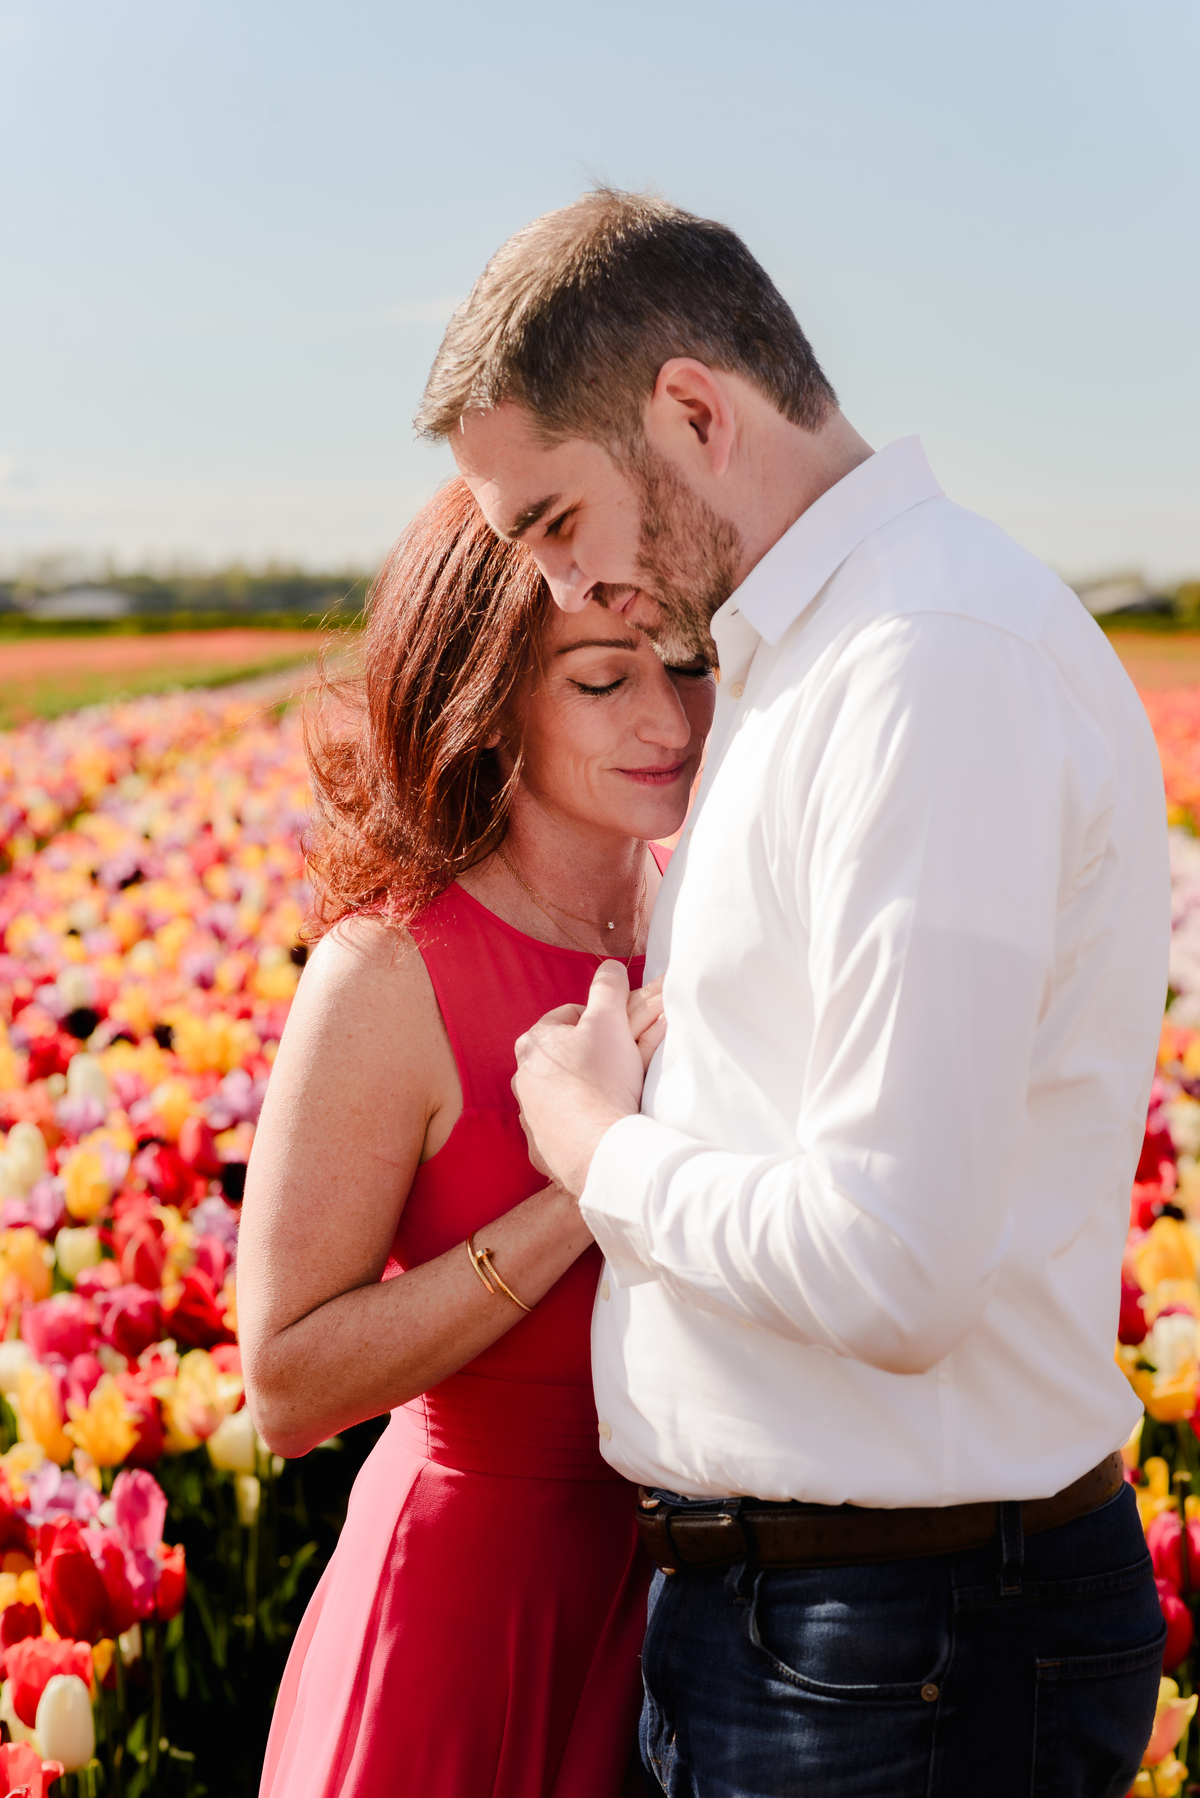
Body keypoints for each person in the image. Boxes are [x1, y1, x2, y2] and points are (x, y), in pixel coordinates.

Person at [419, 189, 1172, 1797]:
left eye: (557, 523)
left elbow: (897, 1265)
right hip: (831, 1625)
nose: (563, 590)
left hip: (901, 1641)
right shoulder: (809, 661)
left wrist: (598, 1148)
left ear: (695, 410)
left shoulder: (928, 664)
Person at [238, 476, 715, 1798]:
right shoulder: (392, 973)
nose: (669, 719)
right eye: (604, 679)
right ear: (491, 690)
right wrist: (582, 1178)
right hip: (468, 1611)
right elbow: (284, 1387)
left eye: (686, 660)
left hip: (685, 1620)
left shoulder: (705, 916)